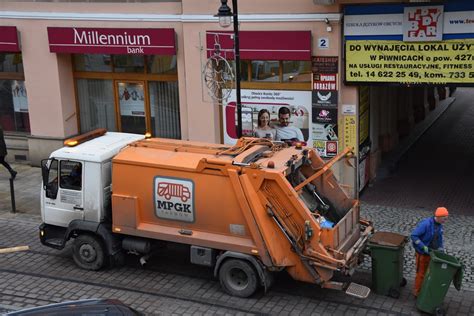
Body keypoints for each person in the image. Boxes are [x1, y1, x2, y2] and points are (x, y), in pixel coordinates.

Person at [411, 207, 449, 297]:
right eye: (444, 218)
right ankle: (417, 293)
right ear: (439, 217)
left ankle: (424, 290)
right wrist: (422, 246)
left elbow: (439, 238)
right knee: (421, 273)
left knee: (428, 273)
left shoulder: (439, 225)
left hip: (431, 253)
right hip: (422, 254)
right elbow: (414, 235)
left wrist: (441, 249)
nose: (445, 220)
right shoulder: (426, 224)